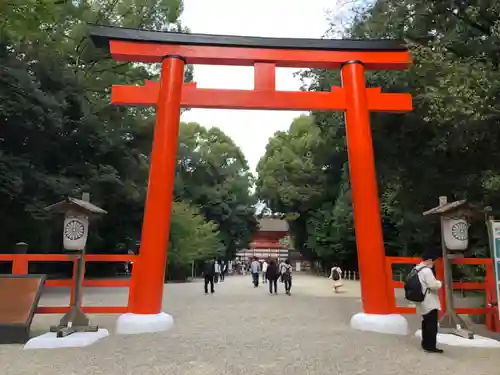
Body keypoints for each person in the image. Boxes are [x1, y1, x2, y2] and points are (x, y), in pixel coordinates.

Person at [415, 249, 443, 354]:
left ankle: (425, 343)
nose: (434, 263)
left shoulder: (417, 269)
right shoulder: (427, 271)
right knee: (432, 324)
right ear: (430, 260)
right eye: (434, 261)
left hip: (421, 300)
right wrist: (440, 283)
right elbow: (432, 285)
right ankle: (431, 346)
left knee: (425, 322)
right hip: (429, 301)